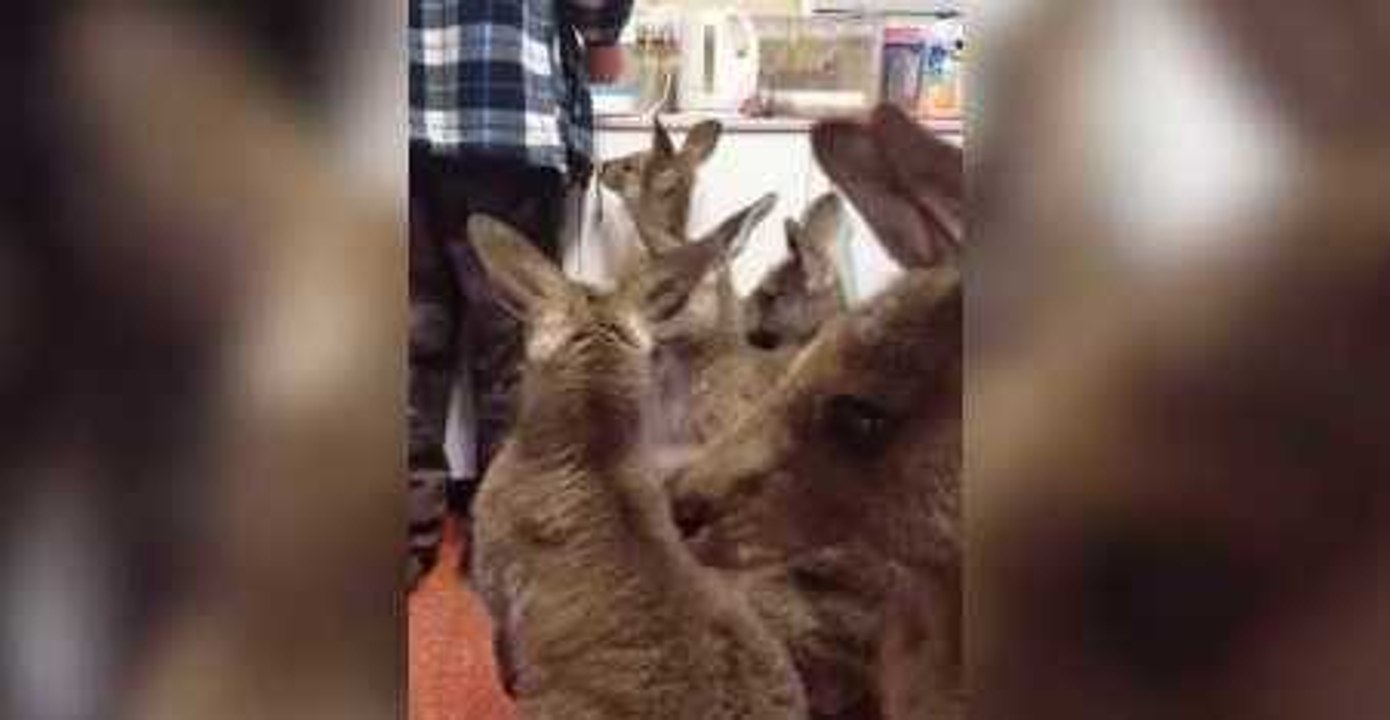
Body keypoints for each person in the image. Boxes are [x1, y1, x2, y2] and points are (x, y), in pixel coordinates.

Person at [407, 0, 631, 587]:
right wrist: (605, 33)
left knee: (404, 345)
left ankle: (405, 535)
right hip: (505, 104)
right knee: (514, 355)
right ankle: (500, 547)